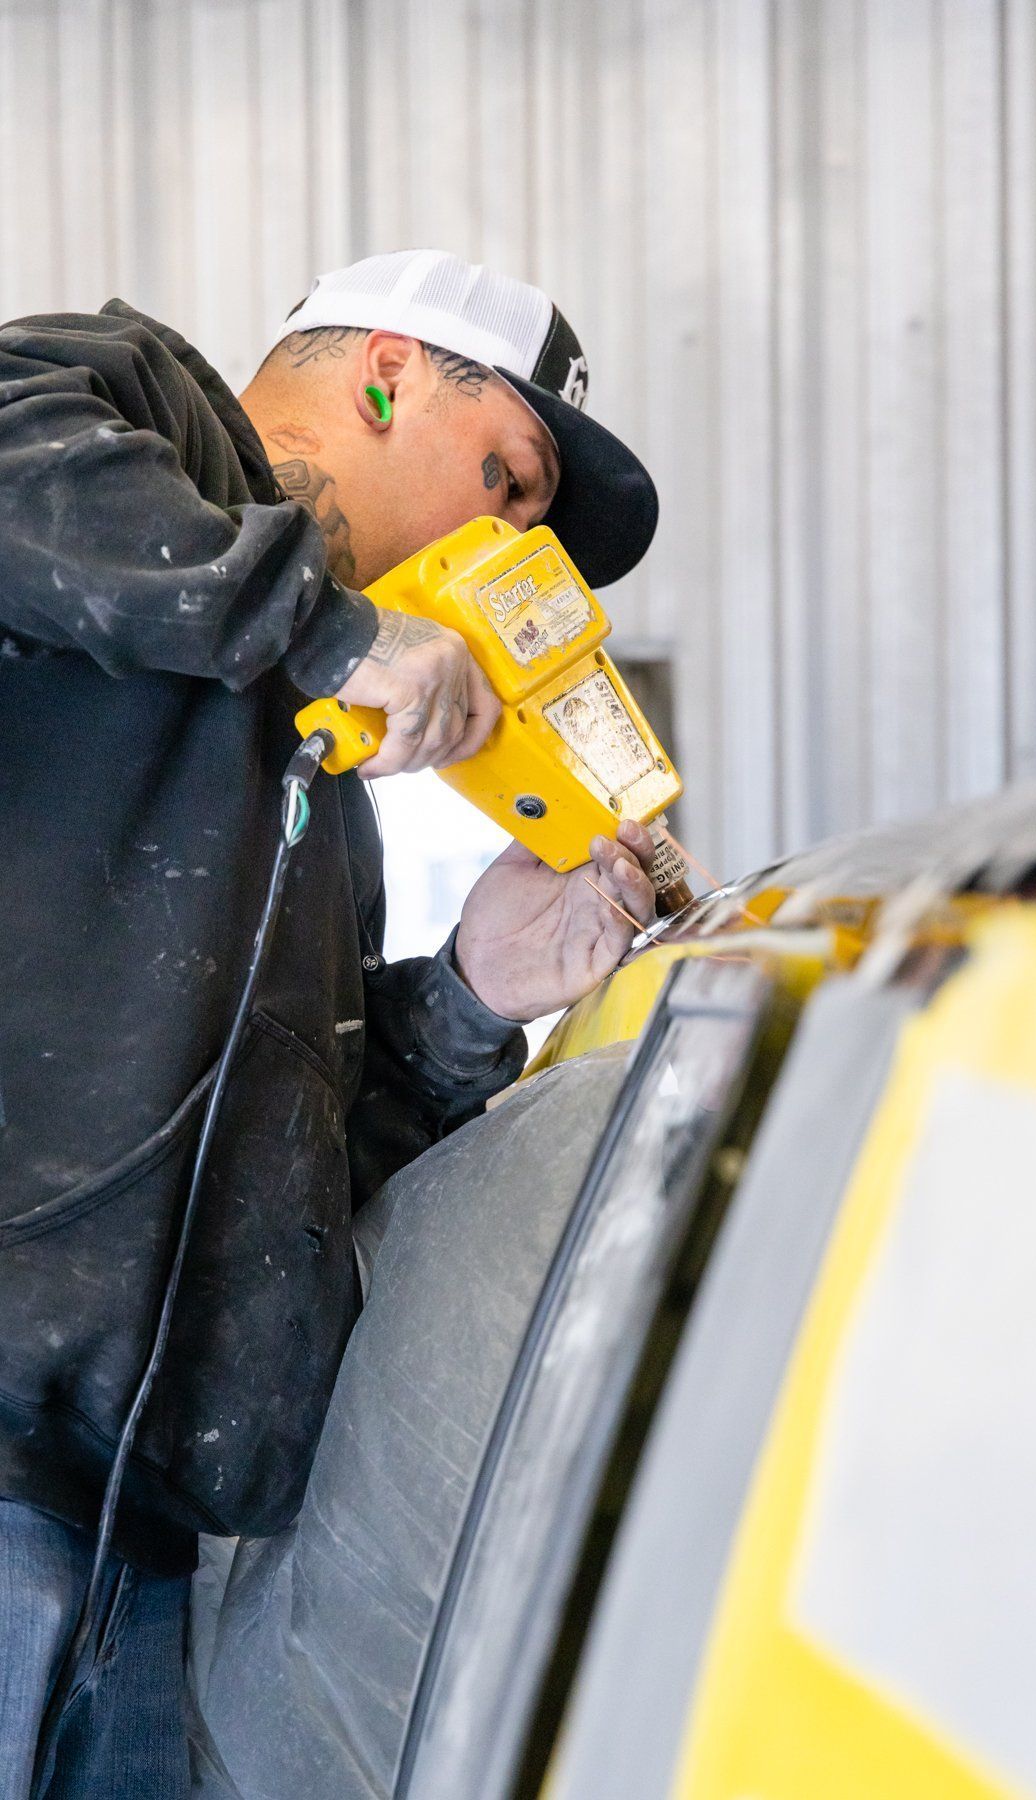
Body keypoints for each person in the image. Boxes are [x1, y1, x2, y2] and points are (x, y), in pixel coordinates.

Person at [0, 249, 660, 1797]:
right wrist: (324, 624)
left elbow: (293, 1161)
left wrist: (471, 997)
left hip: (130, 1537)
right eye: (508, 479)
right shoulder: (119, 400)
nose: (507, 544)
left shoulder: (317, 802)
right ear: (384, 372)